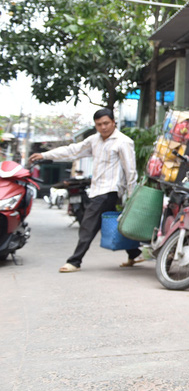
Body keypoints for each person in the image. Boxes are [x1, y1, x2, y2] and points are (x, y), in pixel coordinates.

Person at [30, 108, 141, 272]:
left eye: (106, 123)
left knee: (88, 225)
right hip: (96, 189)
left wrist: (131, 196)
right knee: (109, 223)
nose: (103, 127)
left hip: (110, 190)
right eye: (99, 124)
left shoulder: (123, 142)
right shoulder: (94, 140)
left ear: (113, 123)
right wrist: (45, 155)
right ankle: (134, 253)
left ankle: (75, 261)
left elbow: (130, 170)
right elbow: (72, 150)